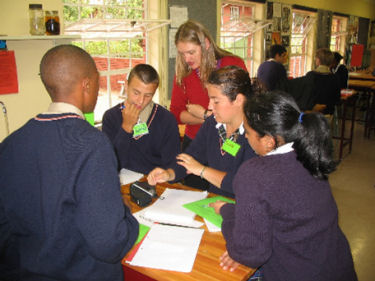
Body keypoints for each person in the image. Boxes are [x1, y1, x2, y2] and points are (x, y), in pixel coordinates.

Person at [0, 45, 139, 281]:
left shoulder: (10, 144)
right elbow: (109, 244)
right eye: (97, 80)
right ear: (87, 84)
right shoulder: (93, 144)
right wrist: (125, 214)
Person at [210, 91, 358, 281]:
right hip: (338, 268)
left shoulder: (254, 173)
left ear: (269, 141)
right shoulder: (310, 154)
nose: (245, 136)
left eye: (247, 131)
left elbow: (250, 254)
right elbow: (285, 212)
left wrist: (228, 220)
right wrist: (230, 210)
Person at [148, 66, 256, 198]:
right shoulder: (213, 123)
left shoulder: (257, 134)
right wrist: (169, 173)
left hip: (243, 208)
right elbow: (191, 156)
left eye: (216, 101)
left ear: (238, 100)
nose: (210, 106)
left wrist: (202, 170)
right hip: (213, 203)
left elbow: (244, 184)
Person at [170, 20, 247, 189]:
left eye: (191, 52)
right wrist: (208, 118)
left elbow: (243, 105)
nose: (186, 58)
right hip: (198, 140)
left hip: (231, 137)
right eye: (182, 53)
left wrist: (205, 114)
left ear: (205, 44)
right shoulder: (183, 73)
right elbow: (176, 112)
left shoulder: (231, 64)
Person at [102, 64, 180, 174]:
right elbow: (110, 164)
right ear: (126, 86)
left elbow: (173, 165)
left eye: (148, 96)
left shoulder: (166, 120)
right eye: (136, 93)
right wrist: (126, 128)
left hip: (154, 182)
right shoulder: (111, 117)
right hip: (121, 182)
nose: (140, 101)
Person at [306, 48, 341, 115]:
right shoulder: (335, 77)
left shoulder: (310, 75)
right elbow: (337, 99)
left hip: (312, 113)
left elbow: (306, 96)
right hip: (328, 113)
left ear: (318, 61)